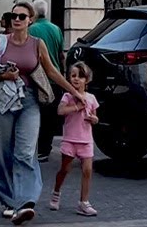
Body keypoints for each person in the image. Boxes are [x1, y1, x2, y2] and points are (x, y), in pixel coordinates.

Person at [0, 2, 85, 225]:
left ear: (30, 20)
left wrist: (75, 92)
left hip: (29, 100)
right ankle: (8, 201)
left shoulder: (38, 44)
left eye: (21, 16)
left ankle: (26, 202)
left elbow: (52, 71)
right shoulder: (0, 42)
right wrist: (2, 75)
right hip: (3, 100)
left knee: (26, 151)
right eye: (13, 15)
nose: (16, 19)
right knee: (2, 153)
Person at [50, 63, 99, 217]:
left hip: (86, 140)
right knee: (65, 169)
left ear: (87, 80)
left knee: (87, 170)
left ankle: (83, 202)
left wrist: (94, 119)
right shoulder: (67, 96)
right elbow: (60, 111)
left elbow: (96, 116)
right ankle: (56, 191)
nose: (76, 79)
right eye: (73, 76)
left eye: (80, 76)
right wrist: (76, 107)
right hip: (70, 139)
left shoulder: (91, 98)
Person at [28, 0, 64, 162]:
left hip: (37, 79)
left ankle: (35, 148)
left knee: (36, 115)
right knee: (49, 118)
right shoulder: (56, 29)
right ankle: (45, 149)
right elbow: (60, 55)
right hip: (54, 79)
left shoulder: (31, 30)